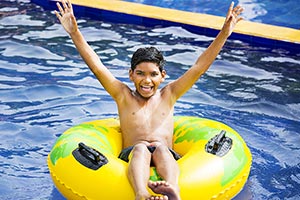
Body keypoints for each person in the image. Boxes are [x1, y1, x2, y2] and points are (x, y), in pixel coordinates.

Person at [54, 1, 244, 199]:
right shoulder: (123, 95)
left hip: (166, 154)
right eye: (140, 73)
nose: (147, 80)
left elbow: (199, 68)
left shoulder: (169, 94)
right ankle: (141, 193)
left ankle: (172, 189)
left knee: (161, 149)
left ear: (163, 75)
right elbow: (97, 67)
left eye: (153, 74)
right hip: (133, 154)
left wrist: (224, 33)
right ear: (131, 75)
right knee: (141, 149)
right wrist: (74, 33)